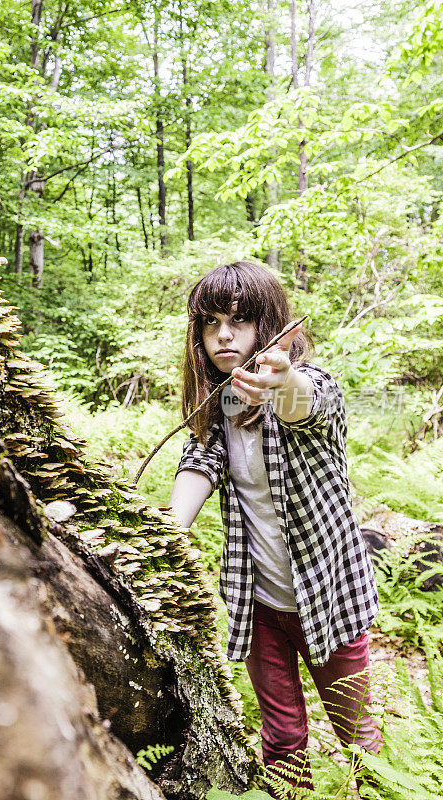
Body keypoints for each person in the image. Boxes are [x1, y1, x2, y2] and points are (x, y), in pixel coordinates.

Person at [168, 261, 382, 793]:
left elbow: (307, 403)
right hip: (261, 604)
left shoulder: (306, 385)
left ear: (268, 326)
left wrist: (280, 380)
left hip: (330, 600)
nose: (222, 334)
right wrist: (164, 533)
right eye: (210, 322)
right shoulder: (217, 406)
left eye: (238, 321)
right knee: (282, 740)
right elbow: (200, 463)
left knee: (359, 737)